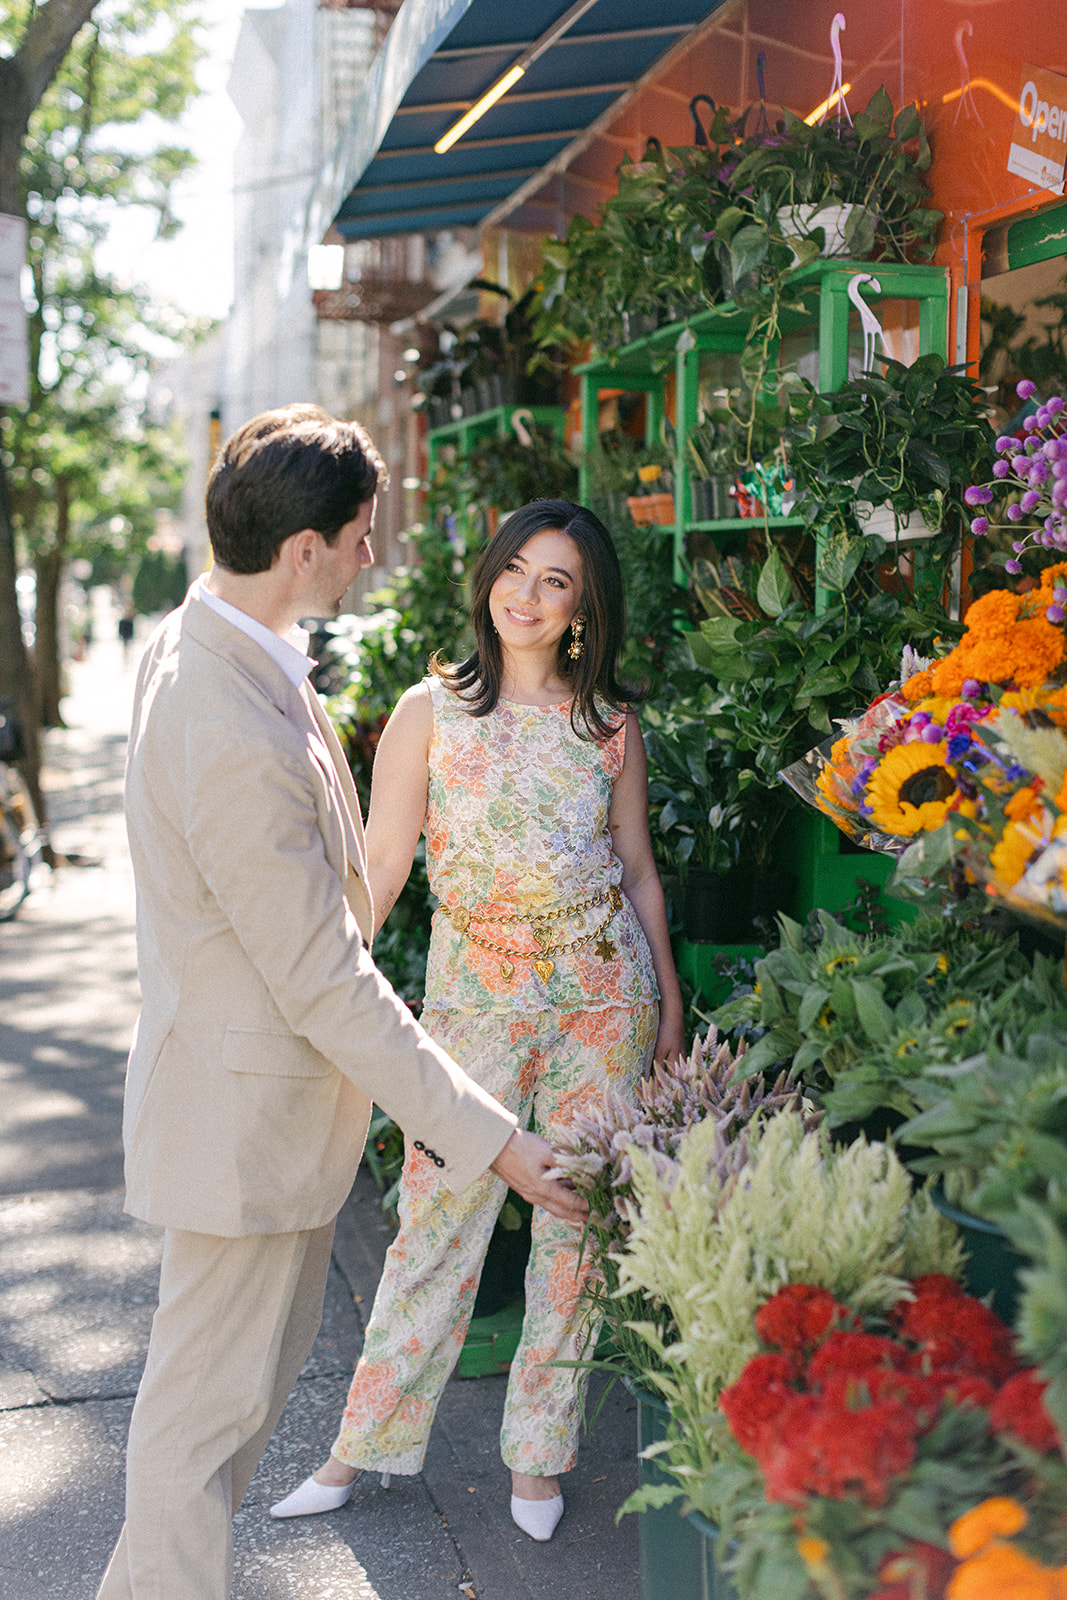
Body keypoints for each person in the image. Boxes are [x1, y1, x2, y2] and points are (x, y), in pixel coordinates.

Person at [96, 409, 585, 1600]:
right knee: (198, 1431)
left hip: (255, 1114)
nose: (374, 557)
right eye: (362, 537)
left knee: (225, 1418)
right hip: (239, 1126)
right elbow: (320, 972)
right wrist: (497, 1143)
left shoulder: (220, 641)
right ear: (305, 546)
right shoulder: (220, 713)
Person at [271, 498, 684, 1542]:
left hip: (605, 992)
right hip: (474, 998)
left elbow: (636, 868)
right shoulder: (429, 710)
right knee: (436, 1216)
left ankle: (538, 1459)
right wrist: (323, 976)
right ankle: (356, 1446)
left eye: (555, 581)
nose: (527, 595)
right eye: (516, 570)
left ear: (583, 604)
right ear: (488, 574)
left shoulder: (608, 723)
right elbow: (384, 867)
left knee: (575, 1225)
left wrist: (668, 999)